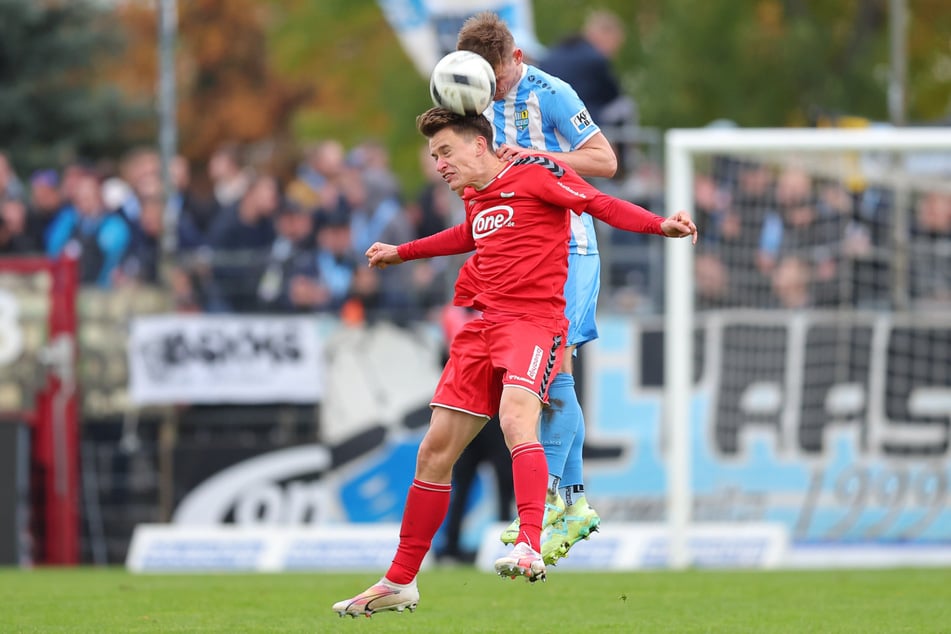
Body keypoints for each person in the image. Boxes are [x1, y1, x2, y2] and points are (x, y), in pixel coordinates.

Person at [331, 107, 697, 618]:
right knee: (433, 452)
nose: (438, 164)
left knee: (514, 420)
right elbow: (470, 236)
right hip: (482, 327)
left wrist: (661, 225)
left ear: (478, 145)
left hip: (533, 322)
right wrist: (403, 252)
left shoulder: (535, 175)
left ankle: (529, 544)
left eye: (445, 151)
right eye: (435, 155)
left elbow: (597, 202)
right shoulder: (475, 196)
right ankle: (400, 580)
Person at [456, 11, 615, 564]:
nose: (493, 90)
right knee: (549, 377)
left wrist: (540, 158)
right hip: (516, 257)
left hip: (569, 245)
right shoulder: (471, 100)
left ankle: (559, 502)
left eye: (497, 79)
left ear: (516, 59)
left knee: (554, 370)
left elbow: (605, 160)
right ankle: (570, 503)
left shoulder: (551, 92)